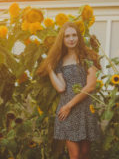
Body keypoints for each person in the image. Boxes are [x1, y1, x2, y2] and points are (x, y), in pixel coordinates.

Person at [37, 22, 101, 159]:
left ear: (79, 37)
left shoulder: (88, 57)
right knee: (75, 155)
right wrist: (49, 70)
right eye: (67, 36)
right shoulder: (60, 61)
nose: (71, 39)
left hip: (83, 108)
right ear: (62, 39)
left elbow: (90, 86)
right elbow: (61, 87)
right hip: (67, 113)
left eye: (74, 35)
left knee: (84, 153)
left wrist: (68, 105)